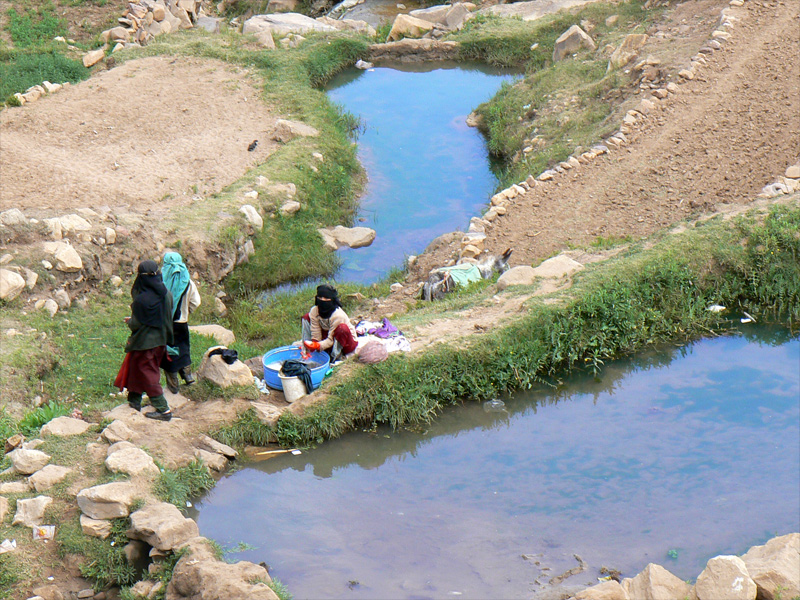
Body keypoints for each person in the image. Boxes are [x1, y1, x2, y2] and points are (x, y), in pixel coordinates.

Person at [114, 260, 174, 421]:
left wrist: (131, 321)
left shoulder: (142, 300)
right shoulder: (166, 294)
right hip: (161, 341)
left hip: (145, 344)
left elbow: (136, 325)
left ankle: (164, 410)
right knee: (135, 368)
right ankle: (134, 400)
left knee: (148, 374)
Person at [160, 252, 201, 394]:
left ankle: (173, 386)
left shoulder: (161, 282)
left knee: (168, 353)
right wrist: (187, 311)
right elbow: (196, 302)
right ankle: (188, 377)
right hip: (182, 322)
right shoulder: (188, 282)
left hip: (165, 324)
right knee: (183, 348)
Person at [301, 284, 357, 363]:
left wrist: (319, 346)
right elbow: (315, 330)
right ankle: (307, 349)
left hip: (346, 341)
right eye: (320, 297)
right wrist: (314, 344)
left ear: (332, 299)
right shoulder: (314, 311)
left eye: (326, 298)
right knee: (306, 317)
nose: (322, 300)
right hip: (329, 336)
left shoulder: (338, 315)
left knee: (342, 328)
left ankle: (335, 357)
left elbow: (331, 340)